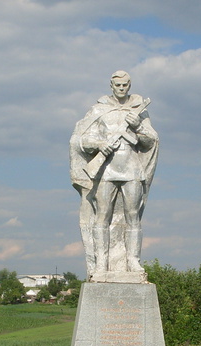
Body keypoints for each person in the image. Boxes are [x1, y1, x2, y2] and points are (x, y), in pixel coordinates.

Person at [69, 71, 159, 281]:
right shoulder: (98, 109)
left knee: (133, 216)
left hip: (132, 168)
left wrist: (137, 127)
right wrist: (101, 144)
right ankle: (102, 262)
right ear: (111, 85)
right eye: (117, 84)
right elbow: (80, 140)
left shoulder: (139, 110)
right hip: (106, 170)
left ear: (130, 85)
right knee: (102, 215)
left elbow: (150, 142)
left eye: (125, 85)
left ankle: (133, 261)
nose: (121, 88)